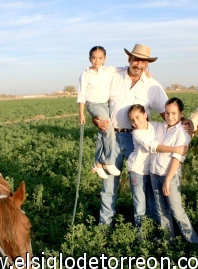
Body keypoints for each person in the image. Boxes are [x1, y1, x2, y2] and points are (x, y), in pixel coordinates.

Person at [92, 43, 169, 226]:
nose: (139, 65)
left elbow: (168, 113)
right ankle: (105, 226)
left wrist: (184, 125)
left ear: (148, 64)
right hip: (111, 138)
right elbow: (94, 92)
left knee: (141, 186)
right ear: (129, 59)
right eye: (136, 60)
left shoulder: (152, 85)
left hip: (137, 140)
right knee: (109, 186)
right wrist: (95, 118)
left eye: (144, 62)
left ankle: (144, 227)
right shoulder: (113, 75)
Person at [126, 104, 187, 228]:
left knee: (153, 204)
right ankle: (141, 237)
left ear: (145, 115)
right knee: (140, 206)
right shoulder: (137, 133)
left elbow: (171, 125)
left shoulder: (154, 126)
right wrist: (176, 149)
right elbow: (154, 147)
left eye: (138, 117)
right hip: (137, 171)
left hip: (151, 171)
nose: (136, 122)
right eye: (132, 120)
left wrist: (187, 122)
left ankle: (153, 230)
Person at [149, 98, 198, 245]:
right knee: (161, 209)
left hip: (169, 176)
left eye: (174, 113)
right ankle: (167, 239)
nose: (170, 117)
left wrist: (168, 179)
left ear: (181, 114)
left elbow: (177, 157)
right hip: (155, 172)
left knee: (176, 210)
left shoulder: (183, 132)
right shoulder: (161, 127)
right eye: (167, 113)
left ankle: (192, 242)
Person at [77, 46, 121, 179]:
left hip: (105, 104)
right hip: (93, 105)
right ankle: (109, 161)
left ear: (105, 59)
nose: (97, 60)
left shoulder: (109, 70)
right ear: (89, 58)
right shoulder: (85, 74)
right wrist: (81, 113)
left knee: (102, 133)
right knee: (109, 130)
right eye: (94, 57)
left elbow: (127, 69)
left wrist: (145, 73)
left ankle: (98, 164)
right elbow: (82, 94)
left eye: (100, 58)